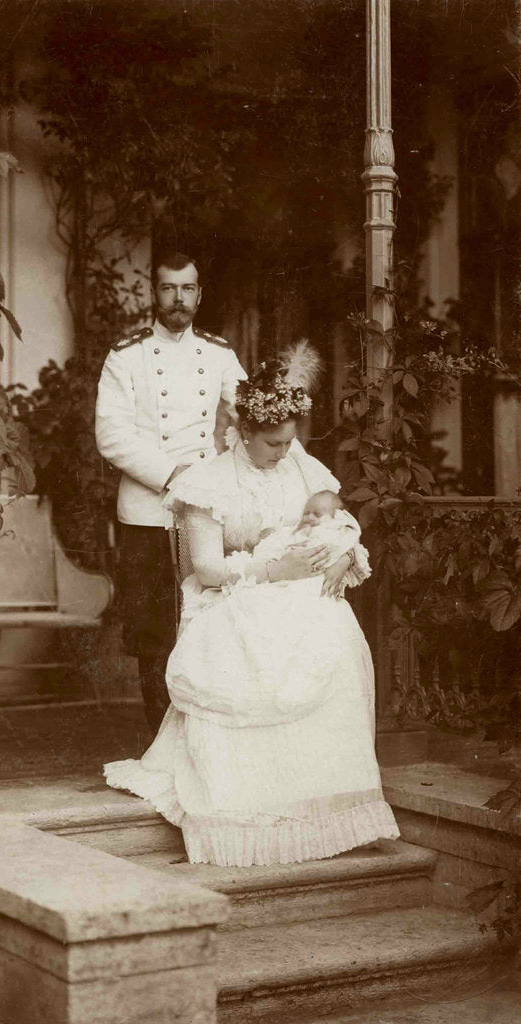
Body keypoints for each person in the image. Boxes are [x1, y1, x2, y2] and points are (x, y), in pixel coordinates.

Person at [104, 346, 399, 867]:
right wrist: (270, 573)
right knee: (251, 644)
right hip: (232, 595)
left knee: (333, 625)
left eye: (290, 441)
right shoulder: (208, 482)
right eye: (272, 443)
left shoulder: (304, 470)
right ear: (243, 433)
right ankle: (254, 811)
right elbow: (207, 571)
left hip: (299, 594)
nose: (284, 453)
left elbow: (340, 524)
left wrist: (342, 556)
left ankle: (319, 797)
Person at [95, 252, 247, 731]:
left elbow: (254, 414)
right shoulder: (126, 355)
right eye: (168, 288)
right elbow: (112, 435)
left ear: (199, 294)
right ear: (153, 293)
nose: (178, 299)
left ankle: (203, 738)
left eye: (187, 289)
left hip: (204, 511)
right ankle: (157, 741)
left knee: (208, 623)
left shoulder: (220, 353)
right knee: (153, 632)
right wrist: (174, 474)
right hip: (147, 509)